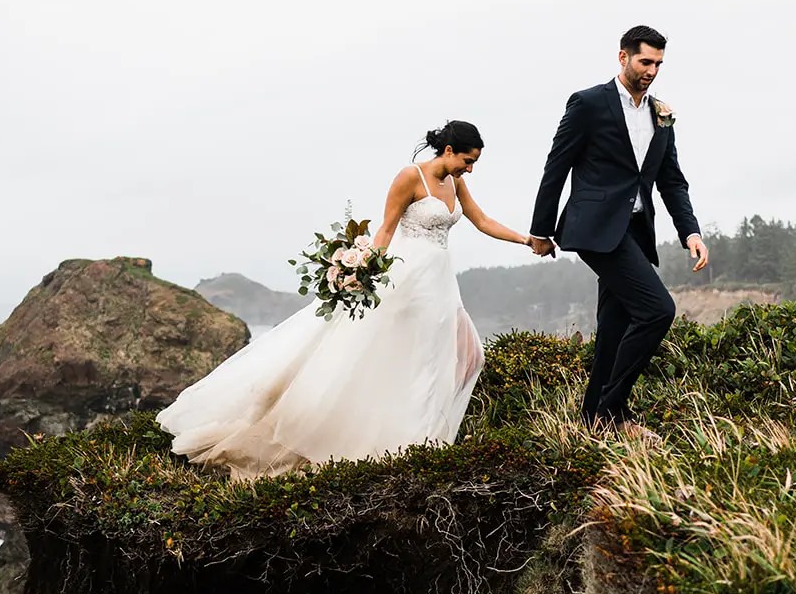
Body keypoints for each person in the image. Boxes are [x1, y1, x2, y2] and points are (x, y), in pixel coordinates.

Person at [159, 120, 532, 480]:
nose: (469, 169)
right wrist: (364, 273)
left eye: (473, 164)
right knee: (403, 357)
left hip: (441, 283)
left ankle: (420, 438)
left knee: (466, 356)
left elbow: (481, 220)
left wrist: (527, 240)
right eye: (467, 161)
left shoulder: (455, 183)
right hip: (406, 279)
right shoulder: (410, 177)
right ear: (449, 151)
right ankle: (402, 444)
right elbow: (385, 229)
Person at [529, 25, 709, 428]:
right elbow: (555, 167)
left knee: (615, 324)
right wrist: (541, 231)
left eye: (659, 64)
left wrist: (690, 232)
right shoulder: (589, 103)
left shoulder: (661, 114)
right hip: (593, 227)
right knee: (657, 310)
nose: (652, 71)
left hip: (635, 230)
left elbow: (672, 180)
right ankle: (612, 411)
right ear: (623, 56)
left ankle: (594, 417)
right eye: (645, 61)